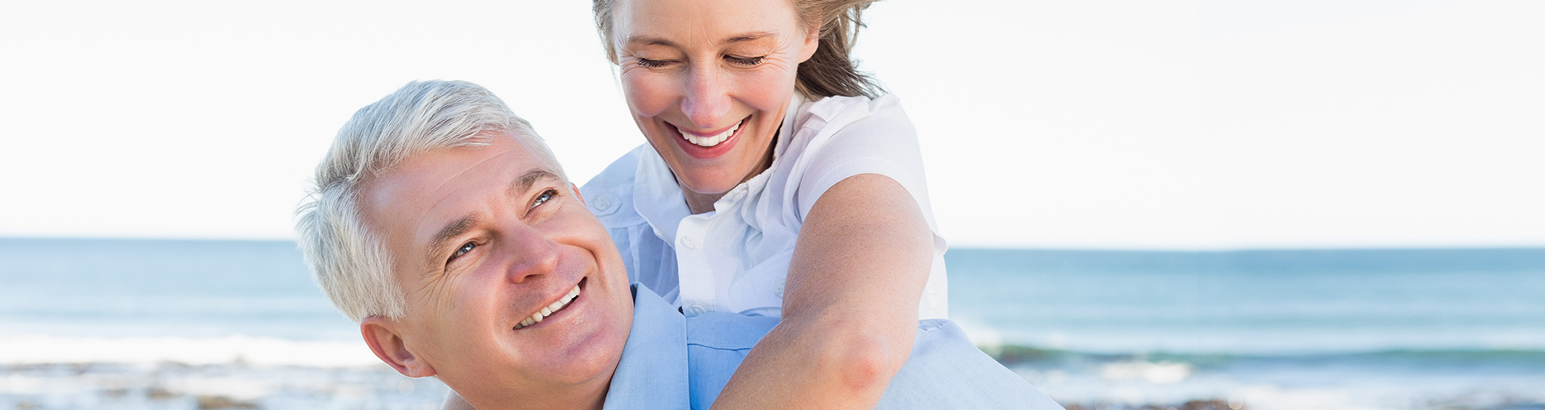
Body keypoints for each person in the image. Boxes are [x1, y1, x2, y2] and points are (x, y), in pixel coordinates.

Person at [294, 80, 1059, 410]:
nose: (541, 256)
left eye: (544, 200)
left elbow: (854, 346)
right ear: (399, 349)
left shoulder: (900, 389)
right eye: (465, 249)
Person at [583, 0, 946, 407]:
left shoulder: (855, 147)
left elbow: (851, 347)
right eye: (657, 60)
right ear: (610, 42)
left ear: (809, 30)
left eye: (746, 57)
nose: (705, 111)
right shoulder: (592, 218)